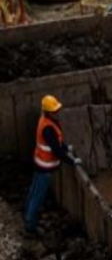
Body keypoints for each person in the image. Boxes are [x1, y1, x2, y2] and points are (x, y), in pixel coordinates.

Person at [24, 95, 80, 237]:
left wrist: (66, 147)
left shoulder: (45, 121)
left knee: (34, 191)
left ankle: (27, 213)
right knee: (38, 195)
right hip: (45, 167)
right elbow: (56, 151)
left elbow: (57, 144)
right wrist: (72, 161)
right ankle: (30, 226)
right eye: (54, 111)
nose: (57, 113)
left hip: (39, 163)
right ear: (48, 112)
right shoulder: (48, 128)